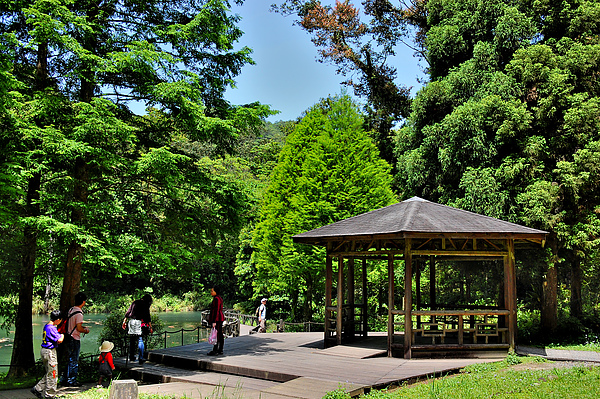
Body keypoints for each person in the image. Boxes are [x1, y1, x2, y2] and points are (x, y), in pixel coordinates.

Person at [31, 310, 64, 399]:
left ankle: (37, 389)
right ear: (57, 319)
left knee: (49, 373)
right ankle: (49, 395)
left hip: (44, 351)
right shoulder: (52, 328)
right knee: (53, 374)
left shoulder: (47, 326)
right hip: (50, 352)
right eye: (60, 320)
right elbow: (59, 340)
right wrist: (62, 335)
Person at [63, 292, 90, 387]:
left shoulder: (71, 309)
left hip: (68, 336)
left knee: (70, 359)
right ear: (83, 302)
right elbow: (78, 328)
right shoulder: (79, 313)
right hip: (74, 338)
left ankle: (64, 378)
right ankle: (72, 381)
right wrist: (85, 330)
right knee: (74, 360)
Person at [122, 294, 153, 364]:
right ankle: (140, 358)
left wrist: (124, 322)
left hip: (132, 322)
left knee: (132, 340)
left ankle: (131, 357)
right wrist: (151, 327)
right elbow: (148, 317)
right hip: (140, 322)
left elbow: (128, 312)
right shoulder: (145, 305)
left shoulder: (135, 302)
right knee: (140, 340)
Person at [207, 286, 224, 356]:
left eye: (212, 291)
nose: (211, 292)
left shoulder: (217, 299)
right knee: (219, 333)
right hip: (219, 317)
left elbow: (216, 310)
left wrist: (214, 321)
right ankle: (220, 349)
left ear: (215, 291)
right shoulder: (219, 298)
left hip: (217, 318)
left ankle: (216, 349)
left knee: (217, 333)